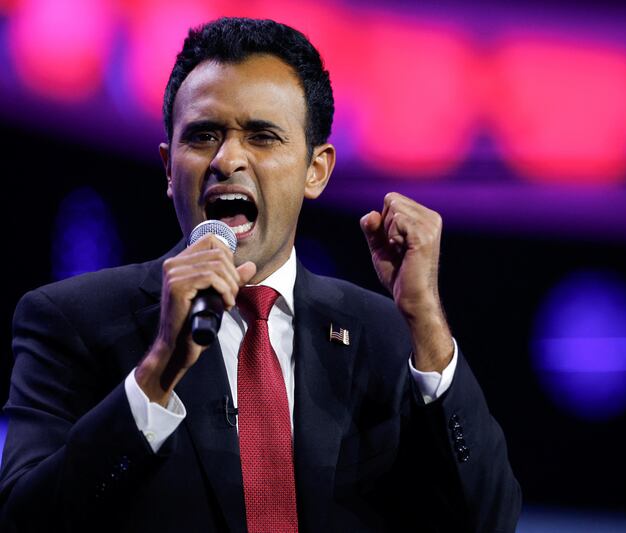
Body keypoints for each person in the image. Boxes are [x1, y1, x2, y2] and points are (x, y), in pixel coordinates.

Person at [0, 17, 520, 533]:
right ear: (167, 166)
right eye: (203, 135)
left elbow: (488, 519)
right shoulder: (70, 321)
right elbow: (25, 522)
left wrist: (426, 320)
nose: (227, 159)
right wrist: (158, 371)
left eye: (262, 136)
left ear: (315, 169)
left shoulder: (384, 336)